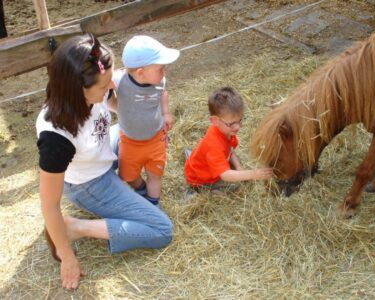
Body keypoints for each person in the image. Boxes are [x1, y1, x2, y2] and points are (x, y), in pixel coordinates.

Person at [36, 33, 173, 290]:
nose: (111, 88)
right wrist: (67, 257)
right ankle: (76, 227)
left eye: (111, 79)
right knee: (161, 229)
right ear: (79, 90)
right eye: (104, 86)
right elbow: (49, 203)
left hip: (100, 150)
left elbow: (119, 106)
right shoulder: (56, 137)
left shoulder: (92, 88)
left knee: (135, 132)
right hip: (90, 182)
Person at [113, 35, 180, 206]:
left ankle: (153, 205)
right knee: (129, 176)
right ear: (141, 73)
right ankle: (141, 188)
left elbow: (163, 93)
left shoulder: (159, 82)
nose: (164, 72)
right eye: (160, 69)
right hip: (130, 142)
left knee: (155, 175)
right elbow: (101, 81)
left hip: (155, 139)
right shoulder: (120, 81)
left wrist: (165, 112)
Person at [184, 87, 273, 191]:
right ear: (214, 121)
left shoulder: (225, 130)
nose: (237, 127)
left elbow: (229, 149)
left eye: (239, 120)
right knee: (236, 186)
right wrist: (252, 174)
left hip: (206, 164)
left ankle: (192, 158)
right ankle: (203, 190)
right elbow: (225, 175)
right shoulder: (214, 144)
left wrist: (238, 167)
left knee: (238, 169)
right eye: (231, 123)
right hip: (200, 179)